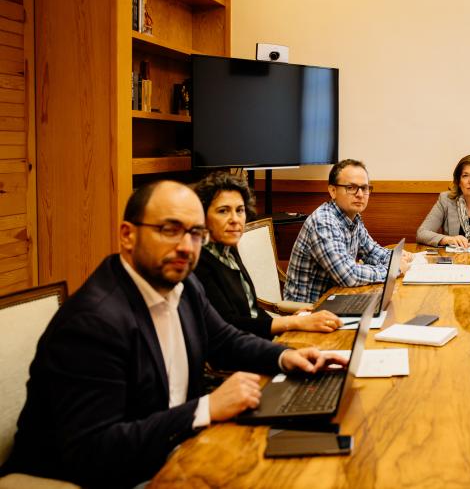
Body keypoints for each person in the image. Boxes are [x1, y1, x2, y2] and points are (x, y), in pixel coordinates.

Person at [1, 181, 345, 487]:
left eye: (195, 233)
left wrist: (286, 356)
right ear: (127, 235)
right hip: (100, 474)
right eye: (170, 229)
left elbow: (225, 341)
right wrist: (206, 407)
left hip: (177, 446)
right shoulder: (92, 322)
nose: (186, 246)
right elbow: (95, 451)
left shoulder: (183, 283)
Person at [192, 172, 343, 339]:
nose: (235, 219)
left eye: (240, 210)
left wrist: (293, 319)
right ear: (202, 216)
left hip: (258, 343)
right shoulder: (199, 262)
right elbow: (230, 325)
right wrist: (293, 323)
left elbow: (253, 312)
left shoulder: (228, 250)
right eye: (223, 211)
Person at [284, 159, 412, 304]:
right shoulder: (323, 222)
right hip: (308, 312)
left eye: (365, 188)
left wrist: (400, 258)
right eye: (351, 187)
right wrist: (392, 270)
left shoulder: (353, 217)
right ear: (333, 191)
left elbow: (372, 252)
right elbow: (348, 275)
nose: (360, 194)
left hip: (336, 300)